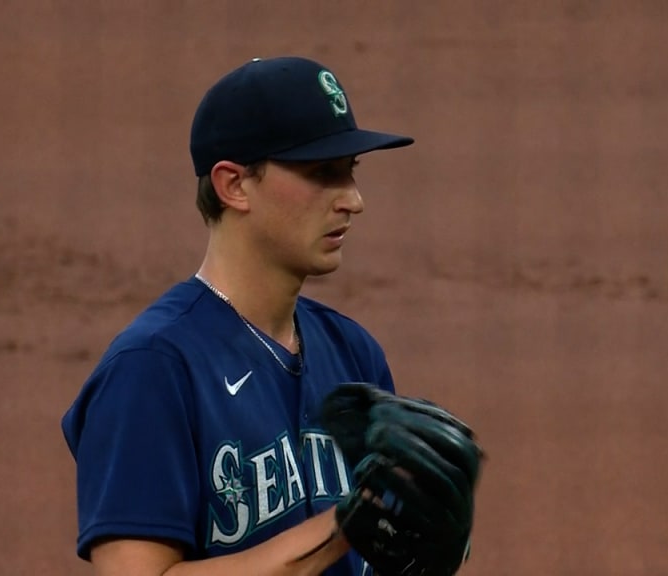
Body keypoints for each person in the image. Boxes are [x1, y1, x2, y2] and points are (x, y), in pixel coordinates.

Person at [60, 55, 415, 576]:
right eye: (323, 173)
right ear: (234, 185)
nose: (353, 200)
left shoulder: (354, 352)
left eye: (352, 172)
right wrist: (346, 525)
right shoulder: (153, 369)